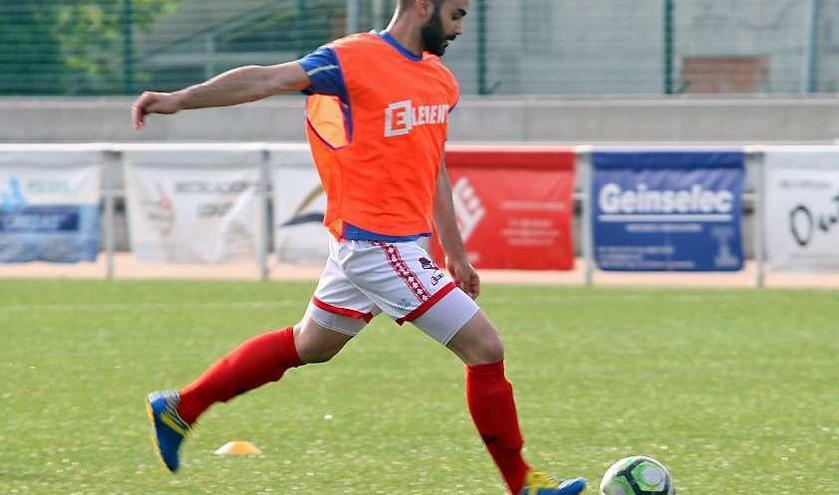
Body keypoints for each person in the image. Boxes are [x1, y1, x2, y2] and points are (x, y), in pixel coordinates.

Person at [133, 1, 586, 493]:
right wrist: (178, 99)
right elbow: (265, 79)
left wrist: (454, 251)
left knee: (312, 345)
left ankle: (182, 407)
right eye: (455, 15)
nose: (459, 29)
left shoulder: (439, 81)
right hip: (377, 245)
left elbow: (433, 165)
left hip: (387, 246)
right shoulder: (350, 60)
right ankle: (523, 484)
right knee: (485, 348)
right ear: (422, 7)